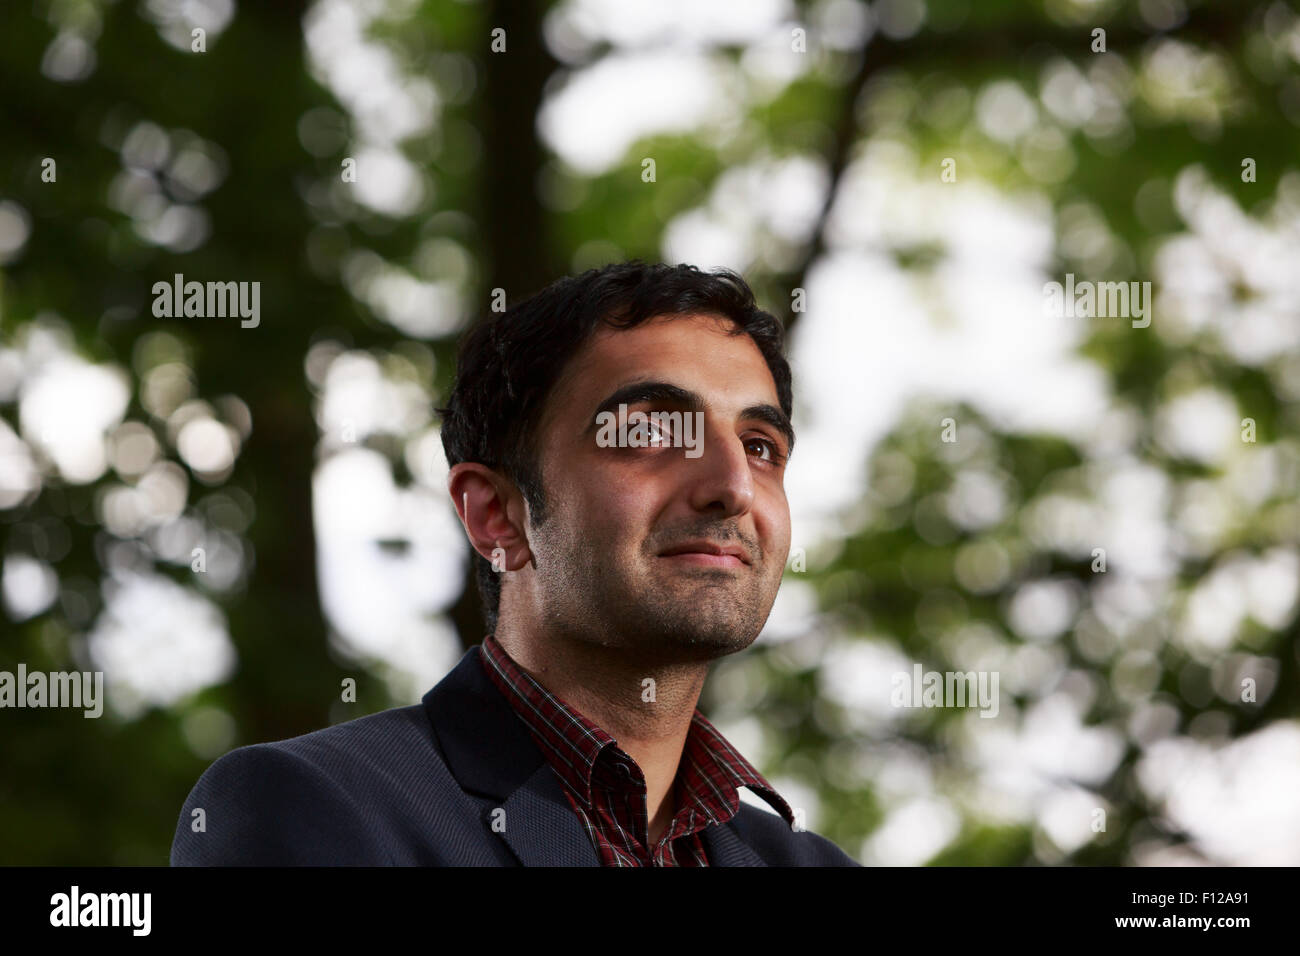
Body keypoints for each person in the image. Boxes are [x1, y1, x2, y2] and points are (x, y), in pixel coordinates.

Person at [170, 260, 858, 866]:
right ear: (496, 515)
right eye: (650, 431)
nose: (733, 486)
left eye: (761, 446)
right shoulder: (313, 809)